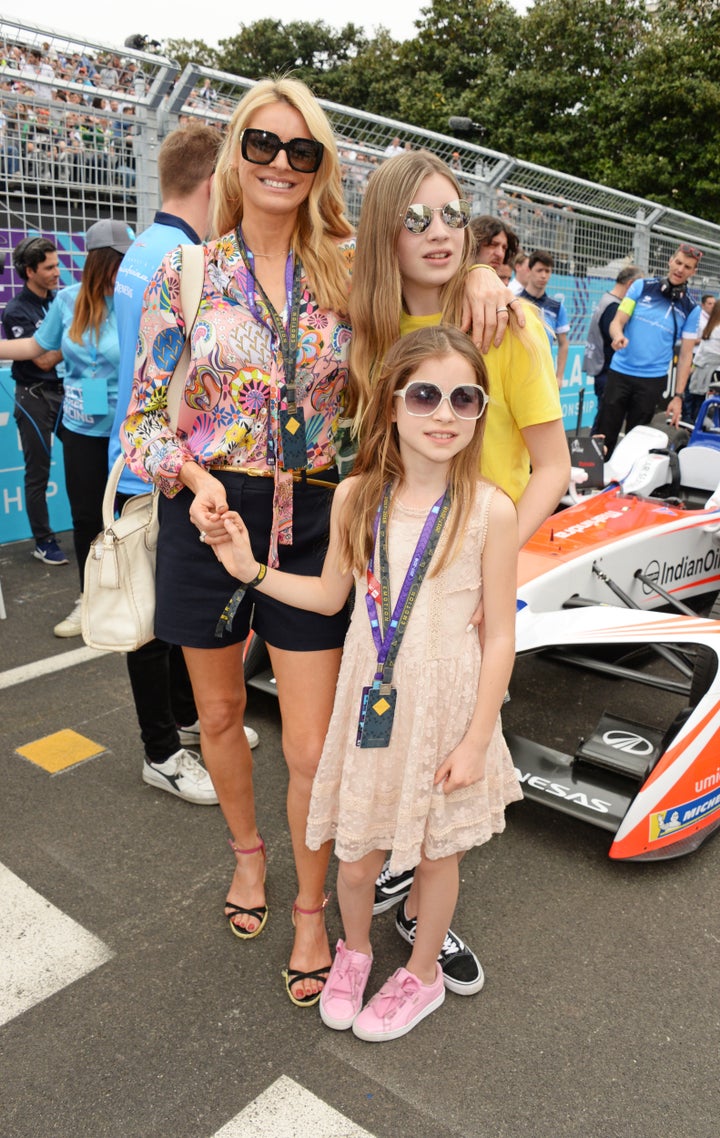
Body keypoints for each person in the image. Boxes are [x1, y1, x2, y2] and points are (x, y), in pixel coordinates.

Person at [120, 79, 517, 1008]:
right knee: (217, 718)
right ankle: (247, 858)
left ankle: (309, 910)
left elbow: (436, 274)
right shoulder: (186, 273)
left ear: (322, 166)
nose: (280, 165)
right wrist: (192, 476)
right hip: (208, 513)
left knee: (306, 748)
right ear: (235, 156)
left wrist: (490, 272)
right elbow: (142, 422)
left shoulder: (344, 265)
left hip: (317, 517)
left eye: (302, 152)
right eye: (263, 144)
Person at [215, 325, 521, 1041]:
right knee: (355, 860)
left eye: (463, 398)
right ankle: (353, 951)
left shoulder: (491, 510)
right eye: (424, 395)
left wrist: (479, 738)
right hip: (370, 703)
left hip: (449, 709)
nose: (444, 414)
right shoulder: (356, 497)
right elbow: (329, 599)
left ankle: (419, 975)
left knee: (438, 856)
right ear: (390, 405)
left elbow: (502, 634)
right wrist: (249, 572)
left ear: (479, 412)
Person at [346, 151, 568, 994]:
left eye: (452, 218)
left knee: (456, 754)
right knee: (389, 740)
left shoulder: (510, 324)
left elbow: (551, 468)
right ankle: (396, 887)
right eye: (414, 220)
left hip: (473, 586)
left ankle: (422, 926)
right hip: (391, 591)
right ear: (384, 236)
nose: (437, 234)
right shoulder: (375, 334)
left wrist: (488, 567)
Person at [110, 124, 254, 807]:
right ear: (213, 182)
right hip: (163, 467)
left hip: (150, 460)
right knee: (152, 621)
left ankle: (188, 722)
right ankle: (161, 749)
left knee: (171, 624)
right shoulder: (185, 259)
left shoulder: (145, 247)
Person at [0, 219, 134, 636]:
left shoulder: (139, 299)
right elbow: (35, 348)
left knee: (133, 519)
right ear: (102, 262)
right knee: (85, 519)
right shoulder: (69, 301)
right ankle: (89, 600)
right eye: (121, 260)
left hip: (129, 431)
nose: (128, 267)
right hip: (79, 430)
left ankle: (133, 598)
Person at [599, 244, 702, 451]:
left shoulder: (692, 308)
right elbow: (617, 321)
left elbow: (686, 355)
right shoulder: (640, 287)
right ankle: (594, 481)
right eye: (679, 262)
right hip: (620, 373)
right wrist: (618, 335)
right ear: (670, 261)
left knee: (636, 441)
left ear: (693, 272)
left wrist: (679, 397)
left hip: (651, 382)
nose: (681, 269)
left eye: (687, 267)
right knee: (604, 435)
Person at [1, 236, 66, 564]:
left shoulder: (59, 300)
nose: (58, 272)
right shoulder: (16, 310)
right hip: (34, 398)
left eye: (57, 264)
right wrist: (74, 339)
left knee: (88, 460)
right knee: (37, 474)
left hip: (67, 394)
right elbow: (41, 360)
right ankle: (44, 540)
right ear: (30, 271)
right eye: (49, 267)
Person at [583, 265, 642, 434]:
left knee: (604, 417)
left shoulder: (606, 299)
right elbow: (614, 338)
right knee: (605, 421)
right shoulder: (614, 307)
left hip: (602, 367)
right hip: (606, 370)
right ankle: (593, 458)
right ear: (631, 284)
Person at [517, 249, 569, 386]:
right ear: (529, 270)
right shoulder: (515, 302)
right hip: (517, 373)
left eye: (547, 271)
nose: (543, 275)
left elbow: (563, 344)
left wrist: (559, 377)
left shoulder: (556, 307)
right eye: (539, 270)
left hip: (545, 377)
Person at [683, 299, 720, 424]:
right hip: (711, 370)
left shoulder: (711, 327)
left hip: (703, 367)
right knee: (701, 398)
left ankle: (691, 420)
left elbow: (702, 350)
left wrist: (694, 365)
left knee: (696, 396)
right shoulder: (714, 328)